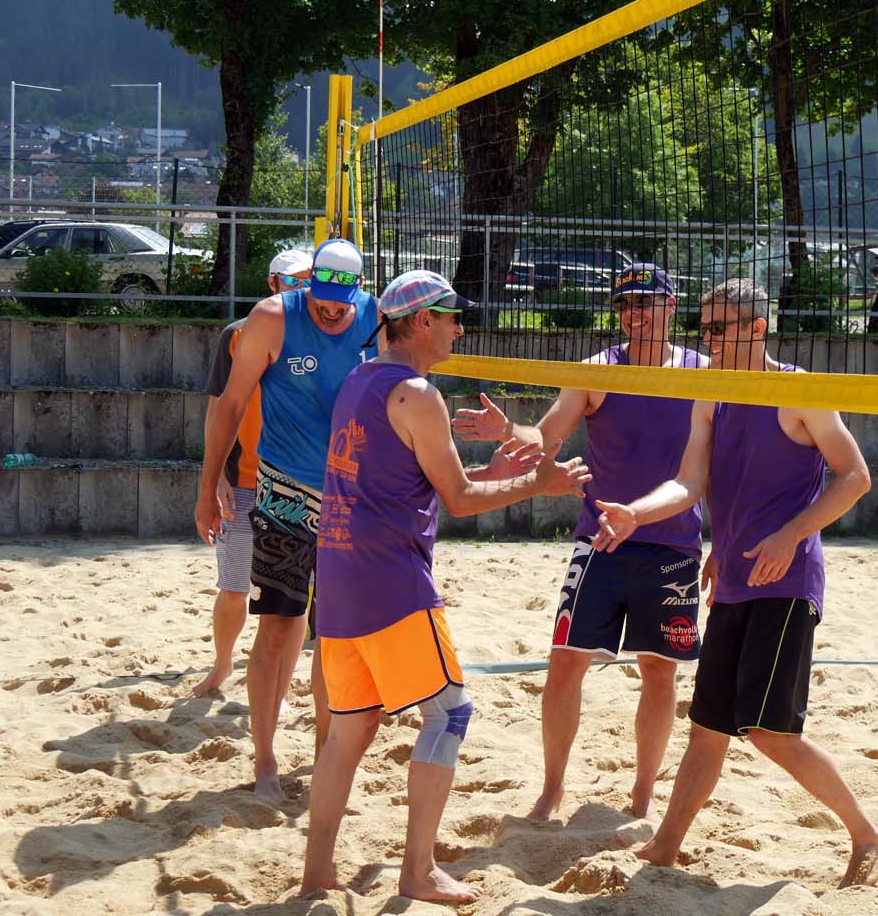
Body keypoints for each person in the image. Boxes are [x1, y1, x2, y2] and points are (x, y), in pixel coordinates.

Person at [302, 269, 591, 905]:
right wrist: (536, 485)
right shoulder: (416, 393)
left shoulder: (359, 380)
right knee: (449, 713)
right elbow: (458, 500)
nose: (460, 329)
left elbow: (414, 483)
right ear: (423, 320)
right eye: (453, 317)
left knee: (349, 730)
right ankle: (418, 871)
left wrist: (492, 470)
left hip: (341, 575)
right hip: (391, 580)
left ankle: (316, 873)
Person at [593, 278, 878, 889]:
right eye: (703, 327)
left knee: (768, 732)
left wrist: (790, 536)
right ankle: (665, 846)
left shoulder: (798, 390)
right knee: (707, 728)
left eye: (719, 327)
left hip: (785, 581)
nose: (707, 338)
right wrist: (637, 513)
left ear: (757, 328)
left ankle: (869, 834)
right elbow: (689, 482)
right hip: (733, 576)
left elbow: (855, 477)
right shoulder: (712, 393)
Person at [452, 262, 707, 822]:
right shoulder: (597, 371)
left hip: (673, 544)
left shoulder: (704, 374)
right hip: (601, 540)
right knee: (565, 664)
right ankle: (552, 789)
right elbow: (545, 437)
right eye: (625, 305)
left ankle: (643, 794)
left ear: (671, 306)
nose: (635, 313)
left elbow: (720, 467)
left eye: (646, 302)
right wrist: (507, 431)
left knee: (659, 671)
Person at [194, 238, 380, 801]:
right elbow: (229, 404)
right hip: (284, 495)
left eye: (339, 303)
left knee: (336, 636)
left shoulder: (376, 318)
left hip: (351, 498)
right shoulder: (272, 318)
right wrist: (208, 486)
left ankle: (325, 755)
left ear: (357, 291)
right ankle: (265, 758)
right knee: (276, 626)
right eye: (320, 299)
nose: (329, 310)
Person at [190, 249, 313, 697]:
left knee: (289, 599)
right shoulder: (238, 335)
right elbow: (218, 409)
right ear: (272, 283)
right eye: (292, 281)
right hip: (244, 480)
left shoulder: (326, 337)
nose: (301, 288)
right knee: (234, 587)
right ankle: (222, 665)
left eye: (309, 280)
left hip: (298, 486)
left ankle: (279, 687)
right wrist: (216, 478)